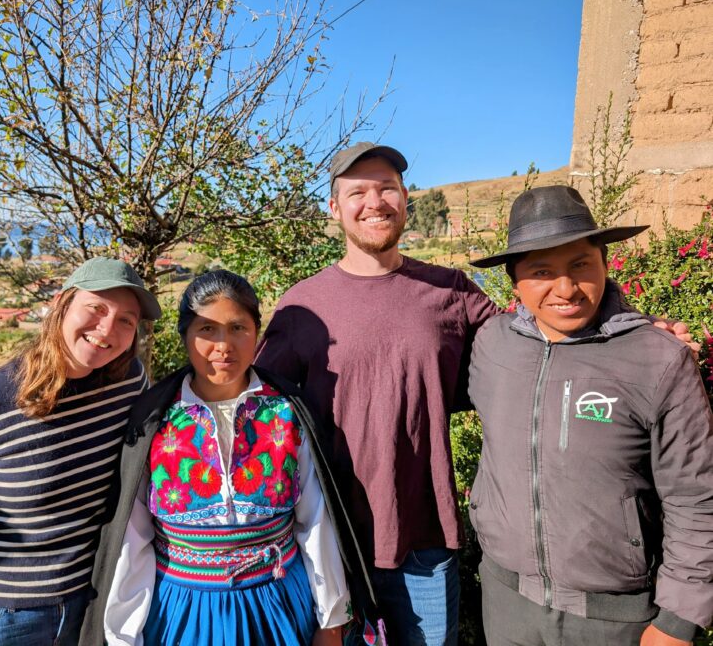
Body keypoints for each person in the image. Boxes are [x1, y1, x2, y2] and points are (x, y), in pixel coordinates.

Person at [255, 141, 498, 645]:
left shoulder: (451, 291)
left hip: (425, 541)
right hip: (327, 542)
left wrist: (624, 322)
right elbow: (255, 411)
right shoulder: (303, 306)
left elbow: (534, 343)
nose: (375, 202)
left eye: (387, 188)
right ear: (334, 207)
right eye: (358, 192)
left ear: (406, 197)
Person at [466, 185, 713, 645]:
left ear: (605, 262)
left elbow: (696, 496)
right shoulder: (490, 345)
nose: (566, 289)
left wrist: (679, 618)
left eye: (580, 265)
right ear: (514, 282)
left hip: (617, 618)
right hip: (504, 600)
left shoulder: (657, 359)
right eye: (542, 271)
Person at [80, 270, 375, 646]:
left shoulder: (286, 413)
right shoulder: (156, 421)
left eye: (238, 328)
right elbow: (133, 537)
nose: (224, 346)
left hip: (279, 603)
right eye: (207, 329)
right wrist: (124, 635)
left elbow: (315, 520)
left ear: (257, 333)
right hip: (182, 612)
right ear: (184, 334)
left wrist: (331, 620)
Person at [0, 257, 161, 646]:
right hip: (0, 620)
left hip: (90, 606)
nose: (107, 329)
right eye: (96, 308)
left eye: (125, 320)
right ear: (62, 303)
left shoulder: (129, 383)